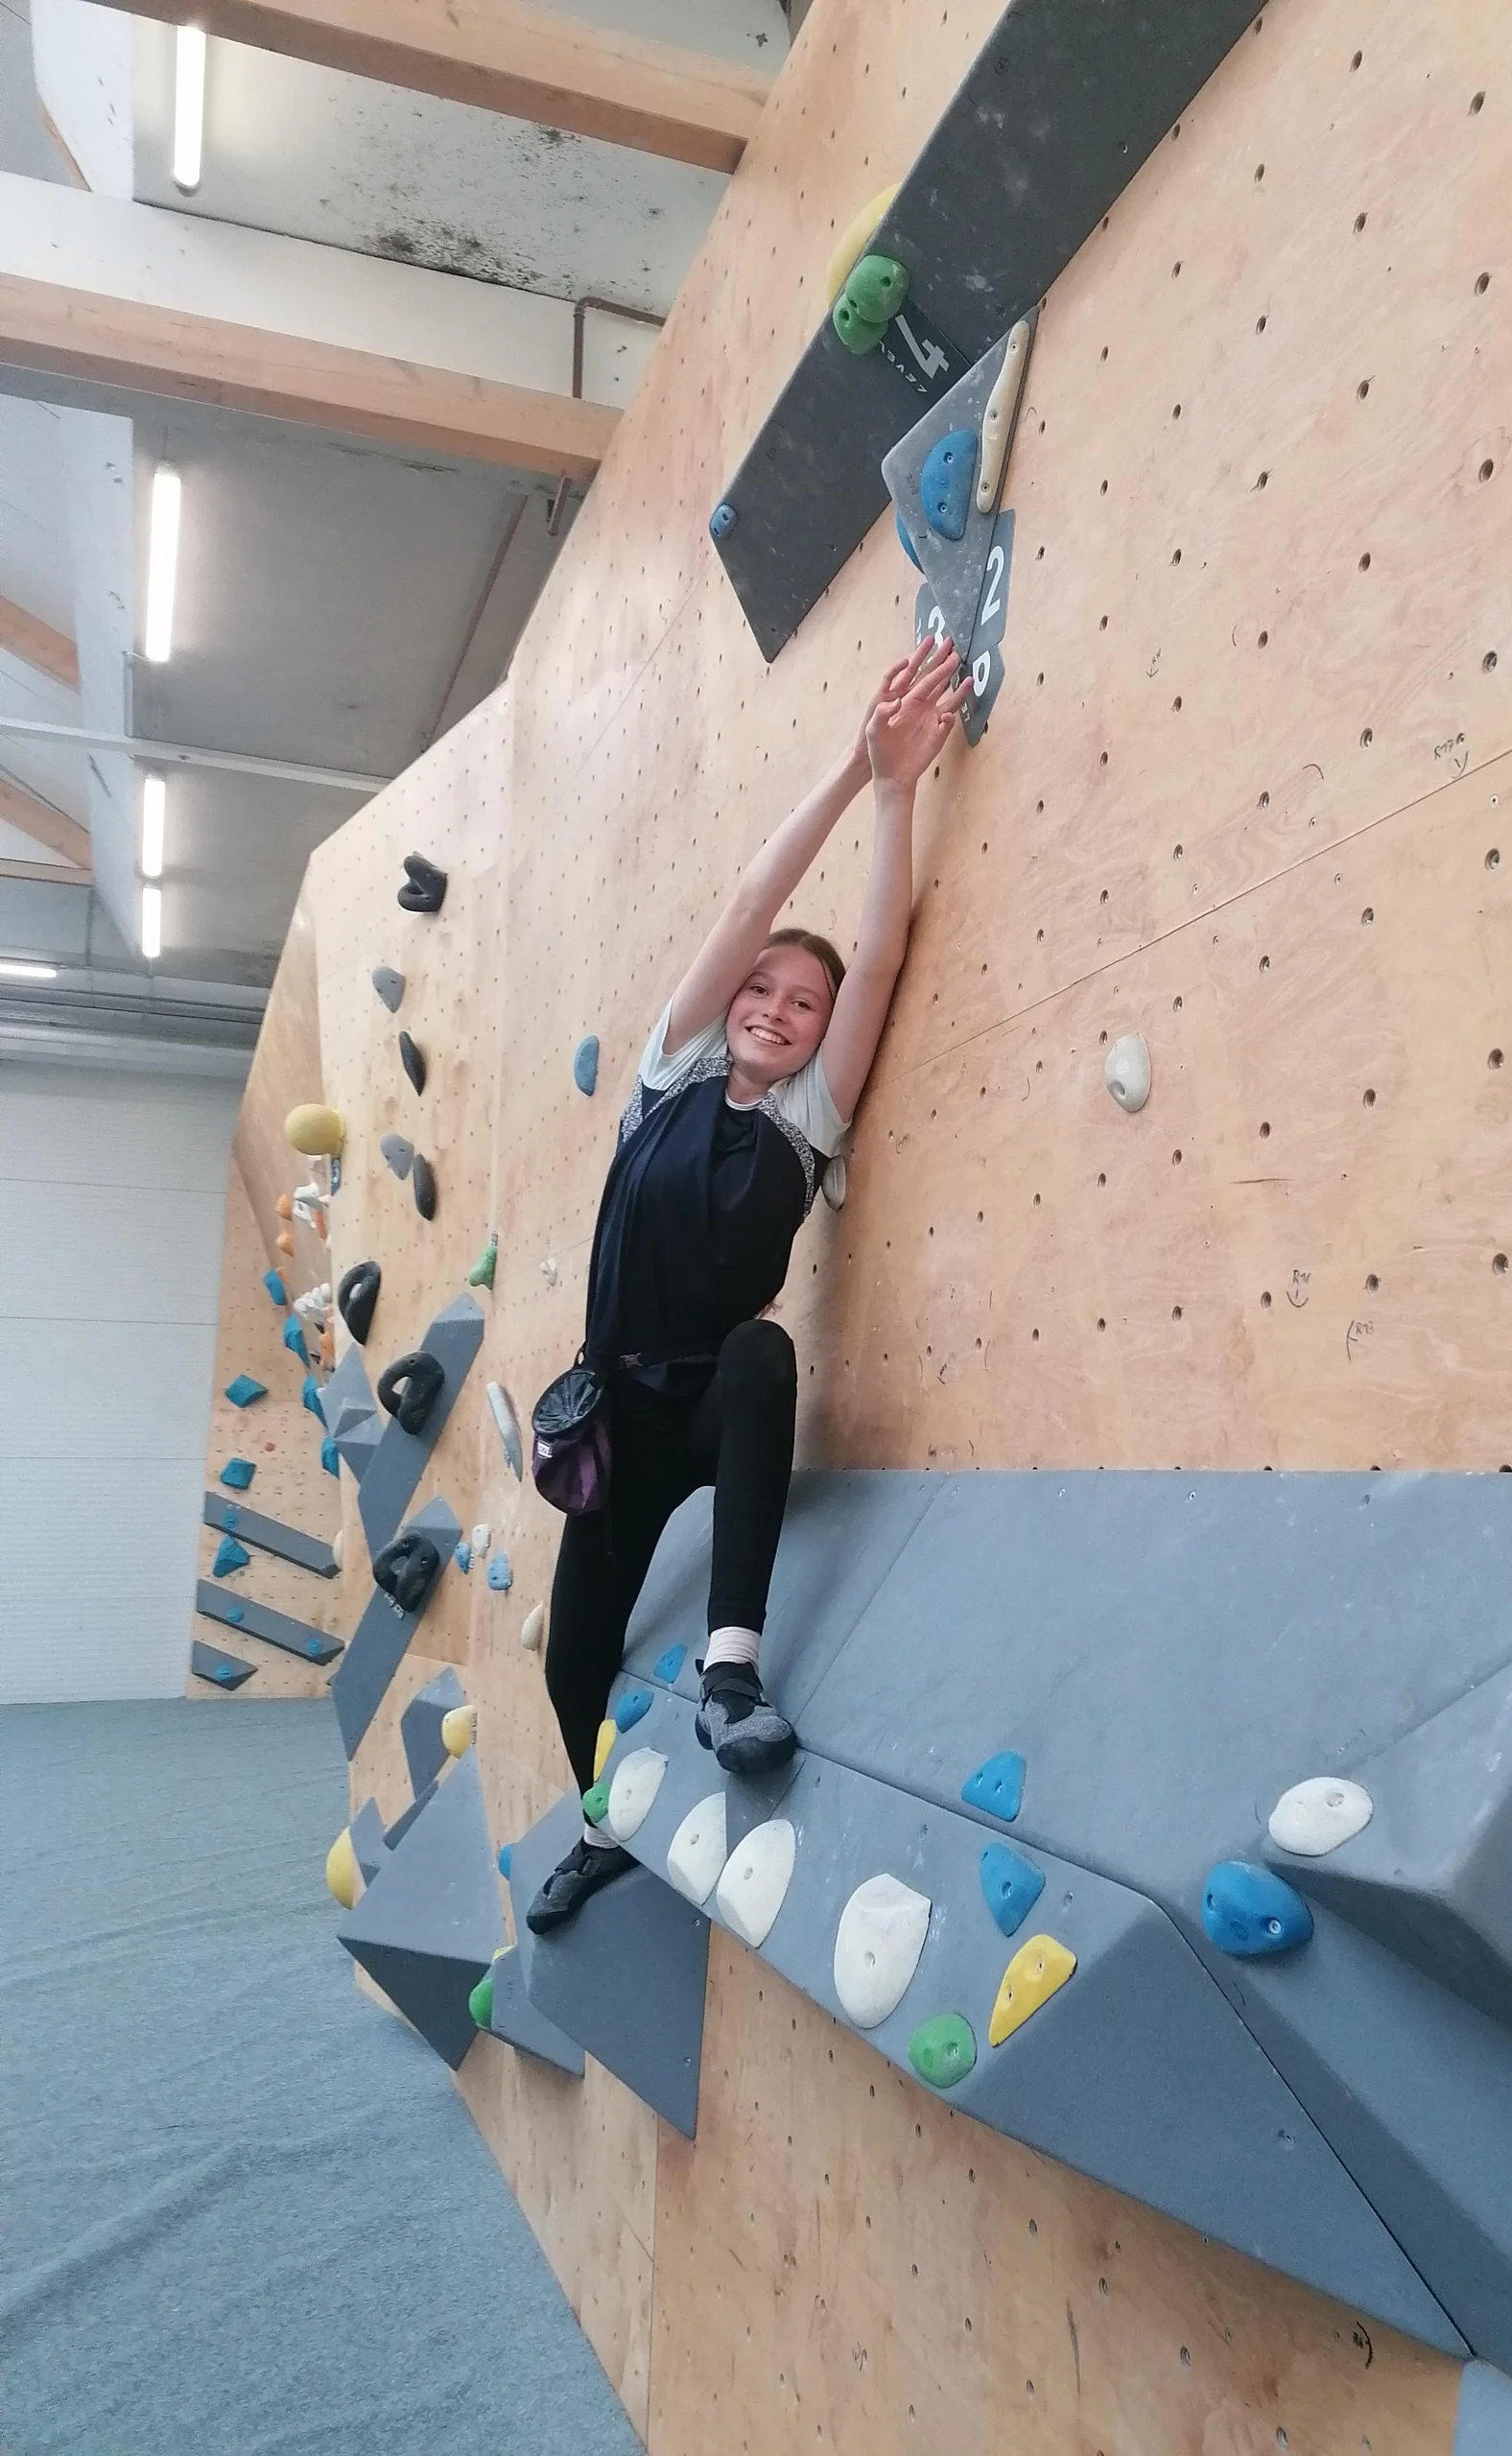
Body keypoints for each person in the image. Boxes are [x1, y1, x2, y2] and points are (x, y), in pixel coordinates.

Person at [528, 633, 972, 1932]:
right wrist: (848, 763)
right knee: (570, 1665)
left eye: (806, 1002)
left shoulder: (807, 1123)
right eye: (763, 987)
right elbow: (743, 906)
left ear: (826, 1036)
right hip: (620, 1418)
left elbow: (878, 958)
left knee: (763, 1351)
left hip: (716, 1406)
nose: (780, 1005)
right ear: (729, 1003)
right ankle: (601, 1831)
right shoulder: (668, 1071)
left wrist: (896, 796)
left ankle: (733, 1675)